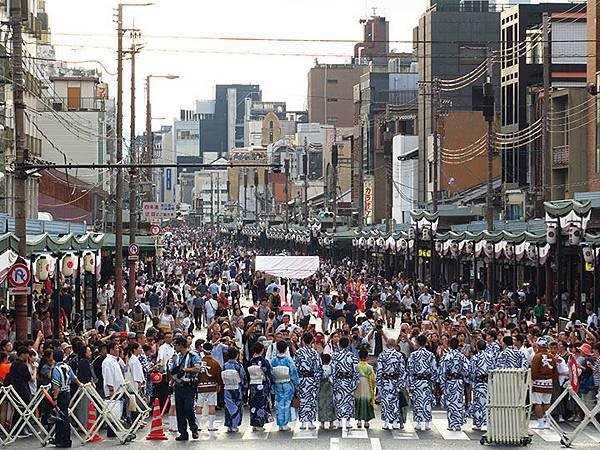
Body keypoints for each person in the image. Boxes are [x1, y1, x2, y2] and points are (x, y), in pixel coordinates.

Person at [170, 337, 201, 441]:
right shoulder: (177, 357)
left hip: (189, 386)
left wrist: (185, 369)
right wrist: (173, 380)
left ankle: (194, 428)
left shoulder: (193, 355)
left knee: (188, 409)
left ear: (180, 345)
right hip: (178, 386)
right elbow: (174, 370)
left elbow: (197, 368)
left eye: (175, 345)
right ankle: (183, 433)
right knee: (180, 410)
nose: (174, 347)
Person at [438, 337, 470, 431]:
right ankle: (458, 424)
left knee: (451, 403)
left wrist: (442, 385)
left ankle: (451, 424)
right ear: (458, 345)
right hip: (459, 382)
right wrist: (465, 378)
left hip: (449, 381)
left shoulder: (446, 356)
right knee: (459, 402)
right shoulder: (462, 356)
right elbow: (467, 369)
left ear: (449, 345)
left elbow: (442, 371)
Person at [51, 349, 79, 448]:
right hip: (67, 393)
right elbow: (74, 378)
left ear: (53, 358)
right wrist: (80, 385)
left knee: (61, 417)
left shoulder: (56, 369)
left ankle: (63, 440)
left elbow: (56, 385)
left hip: (60, 395)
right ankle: (61, 438)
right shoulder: (67, 367)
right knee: (64, 415)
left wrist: (55, 398)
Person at [407, 334, 437, 431]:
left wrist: (410, 384)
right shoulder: (430, 354)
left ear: (417, 343)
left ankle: (419, 423)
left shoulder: (413, 355)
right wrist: (432, 382)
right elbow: (434, 369)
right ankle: (427, 423)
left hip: (417, 381)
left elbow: (410, 369)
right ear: (426, 342)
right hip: (427, 381)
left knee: (418, 402)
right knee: (426, 402)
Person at [376, 338, 406, 430]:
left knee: (385, 402)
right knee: (395, 401)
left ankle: (385, 422)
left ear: (387, 344)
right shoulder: (399, 355)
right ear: (395, 344)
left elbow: (379, 370)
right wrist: (400, 383)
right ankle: (395, 422)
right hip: (395, 381)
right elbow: (402, 370)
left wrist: (379, 383)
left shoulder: (382, 355)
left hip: (385, 380)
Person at [294, 333, 323, 430]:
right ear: (312, 341)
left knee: (302, 400)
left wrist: (296, 379)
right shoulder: (314, 353)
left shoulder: (298, 352)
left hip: (301, 379)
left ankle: (302, 422)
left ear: (302, 340)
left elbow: (295, 367)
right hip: (311, 379)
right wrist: (317, 380)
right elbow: (318, 368)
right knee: (311, 400)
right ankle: (310, 421)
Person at [331, 336, 359, 431]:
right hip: (349, 381)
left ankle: (339, 421)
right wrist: (355, 382)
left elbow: (332, 370)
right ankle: (347, 421)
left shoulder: (335, 356)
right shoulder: (352, 356)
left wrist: (333, 382)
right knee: (348, 401)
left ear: (339, 344)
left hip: (339, 380)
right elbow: (356, 370)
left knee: (339, 400)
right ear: (348, 345)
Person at [271, 340, 299, 431]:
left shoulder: (274, 360)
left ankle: (280, 423)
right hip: (287, 383)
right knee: (286, 403)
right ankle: (284, 423)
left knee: (279, 403)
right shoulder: (288, 360)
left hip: (278, 383)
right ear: (286, 348)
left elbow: (271, 372)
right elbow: (293, 372)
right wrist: (296, 383)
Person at [530, 336, 557, 429]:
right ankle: (549, 422)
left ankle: (541, 422)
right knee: (547, 402)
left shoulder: (537, 356)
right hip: (549, 381)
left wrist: (533, 380)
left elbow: (534, 371)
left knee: (537, 403)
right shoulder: (552, 356)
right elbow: (555, 371)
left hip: (538, 381)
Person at [195, 342, 222, 432]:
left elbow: (196, 374)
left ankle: (198, 425)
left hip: (201, 386)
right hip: (212, 386)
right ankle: (210, 425)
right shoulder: (215, 363)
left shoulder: (199, 362)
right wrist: (219, 385)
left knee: (199, 406)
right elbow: (218, 376)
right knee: (212, 405)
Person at [247, 342, 274, 431]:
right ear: (262, 350)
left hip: (253, 384)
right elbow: (268, 373)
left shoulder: (251, 361)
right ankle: (259, 424)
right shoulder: (262, 361)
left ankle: (254, 423)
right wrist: (270, 383)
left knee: (253, 404)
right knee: (261, 404)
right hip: (261, 384)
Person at [469, 340, 493, 431]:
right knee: (487, 402)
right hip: (488, 382)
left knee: (478, 403)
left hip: (478, 383)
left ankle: (478, 424)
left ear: (477, 347)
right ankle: (487, 423)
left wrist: (471, 380)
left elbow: (472, 371)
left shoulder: (475, 358)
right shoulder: (490, 357)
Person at [222, 347, 246, 433]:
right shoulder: (238, 366)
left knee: (228, 406)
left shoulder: (224, 365)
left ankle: (229, 424)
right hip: (237, 388)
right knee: (237, 406)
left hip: (227, 388)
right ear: (237, 355)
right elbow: (243, 377)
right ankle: (234, 425)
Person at [354, 348, 376, 428]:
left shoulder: (356, 366)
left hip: (358, 385)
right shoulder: (369, 367)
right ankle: (366, 421)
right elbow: (373, 379)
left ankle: (359, 421)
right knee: (367, 401)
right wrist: (373, 387)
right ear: (367, 357)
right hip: (367, 384)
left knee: (358, 402)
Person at [318, 353, 337, 429]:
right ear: (330, 361)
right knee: (330, 403)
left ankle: (322, 423)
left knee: (321, 403)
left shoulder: (320, 368)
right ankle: (331, 422)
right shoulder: (332, 368)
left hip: (321, 387)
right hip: (330, 386)